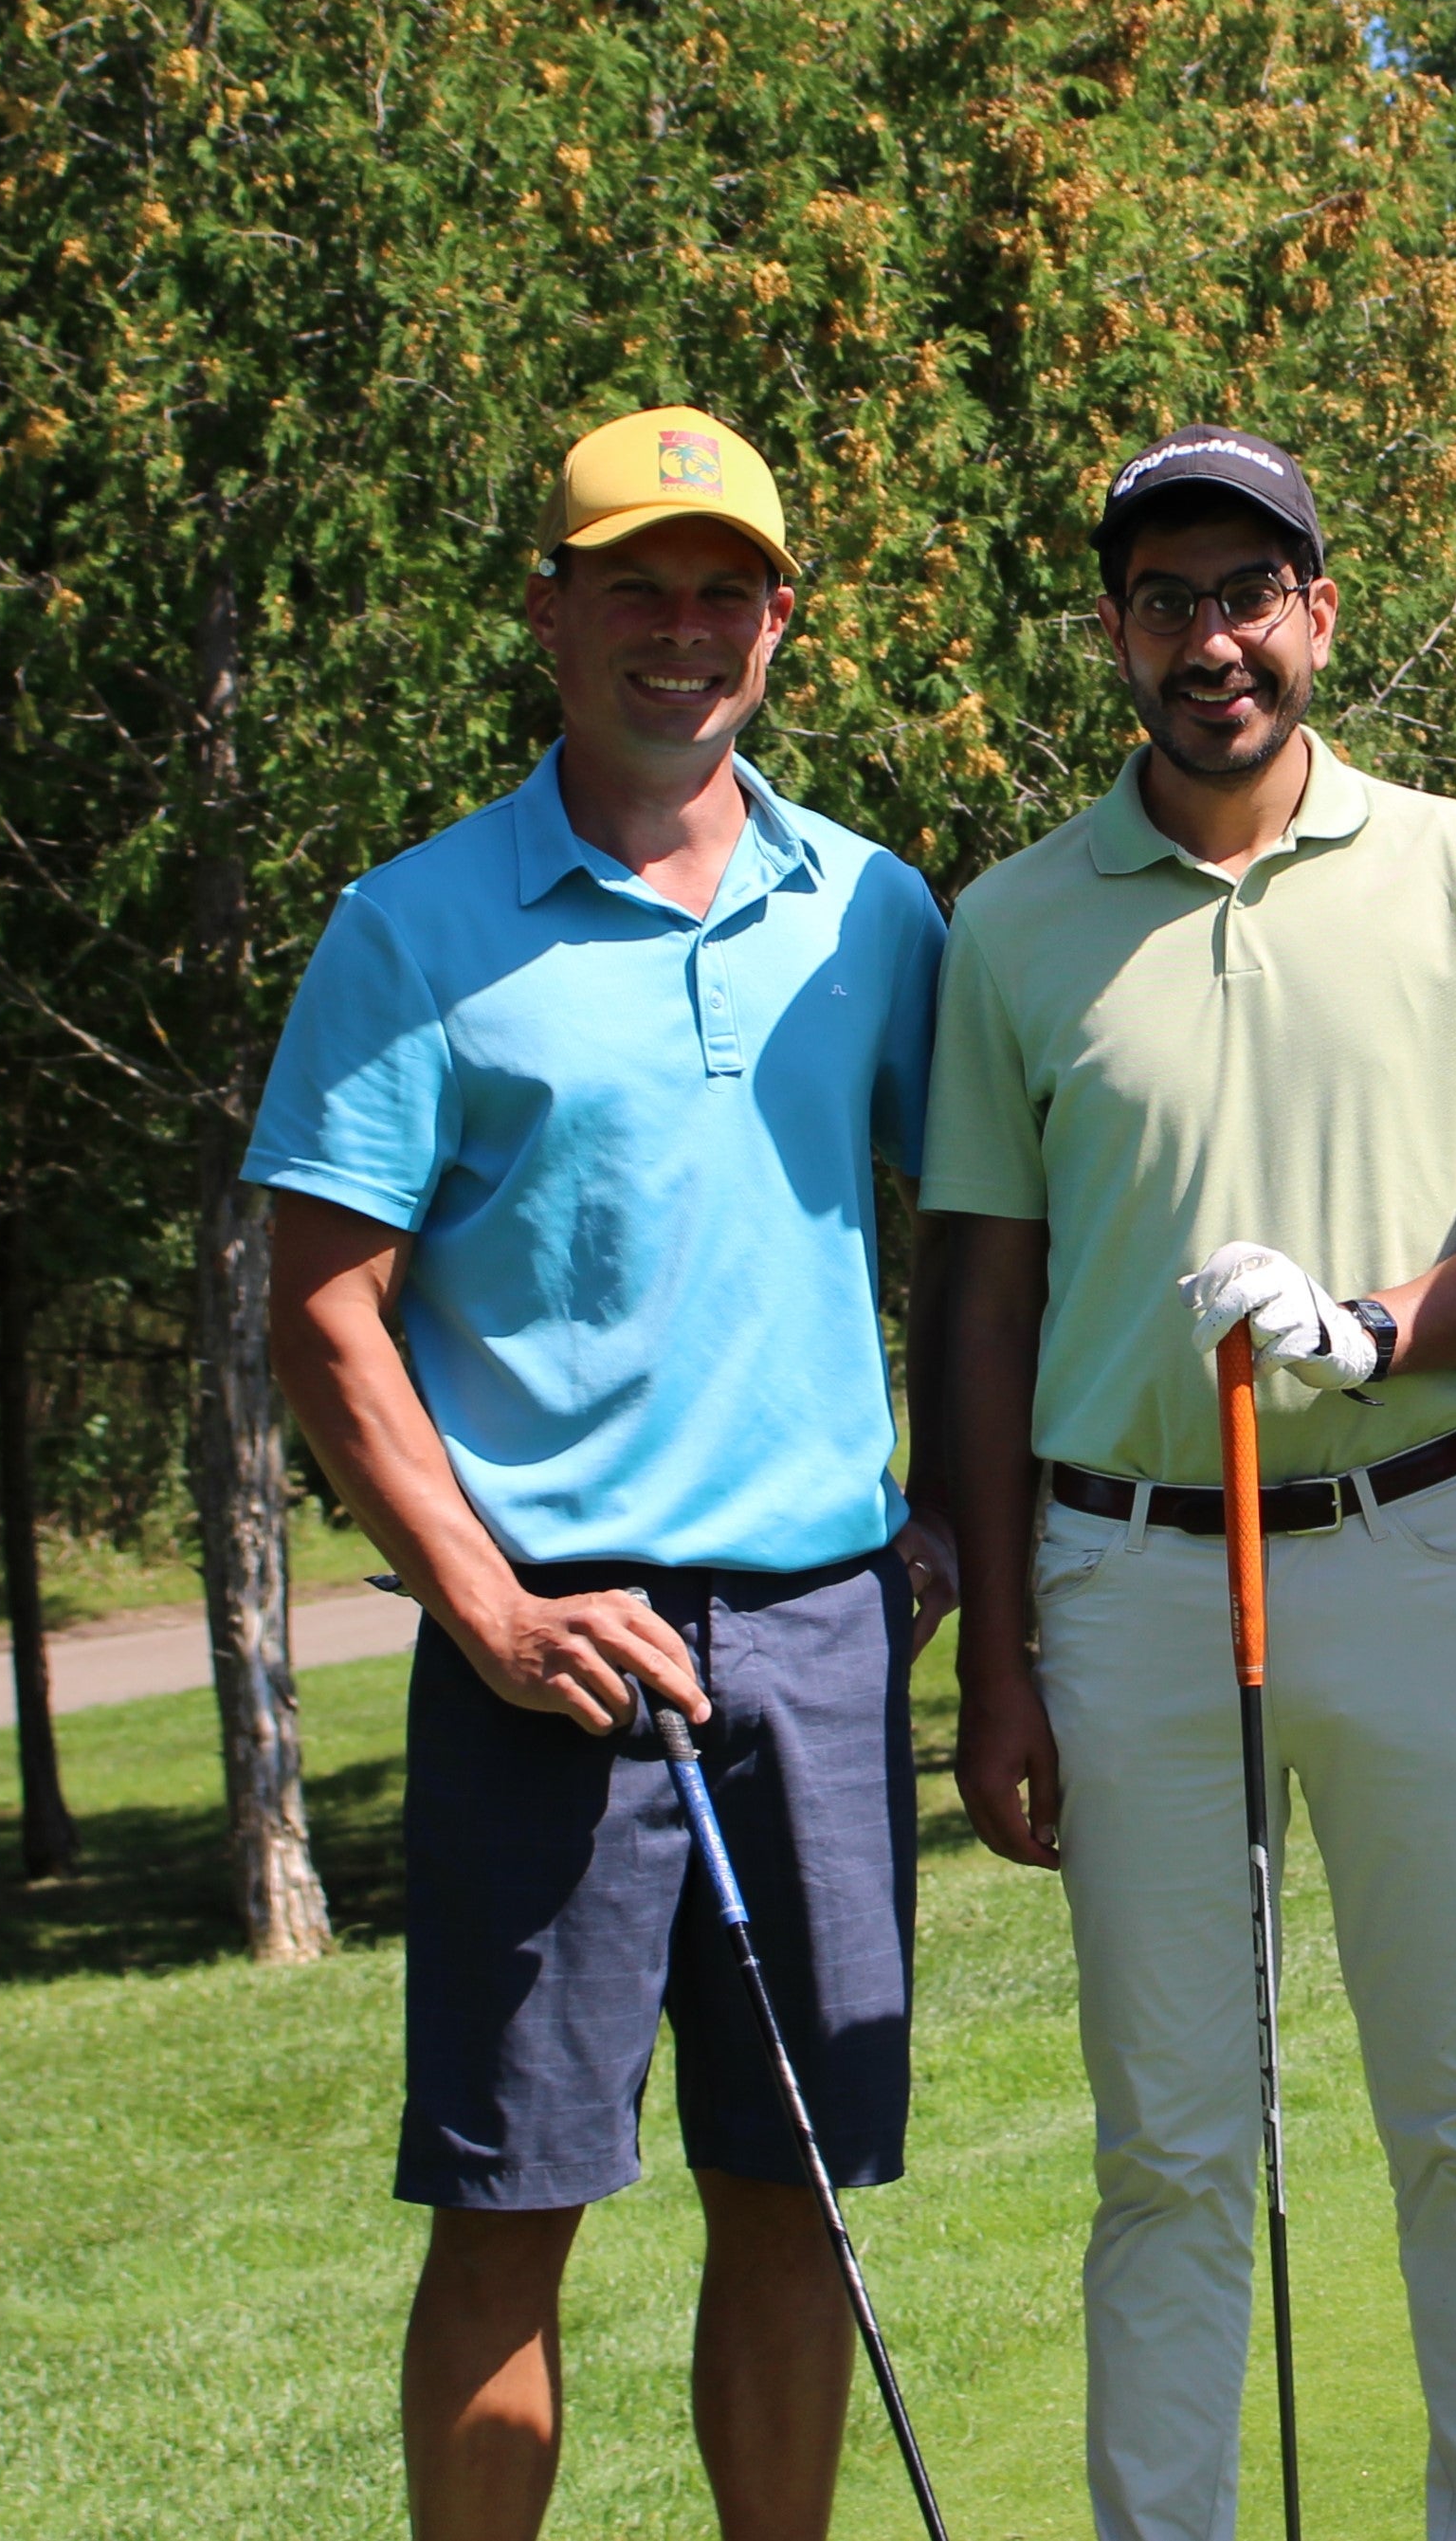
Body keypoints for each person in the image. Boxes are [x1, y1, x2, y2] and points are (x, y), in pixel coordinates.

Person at [248, 407, 956, 2541]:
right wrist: (480, 1600)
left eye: (720, 587)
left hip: (820, 1644)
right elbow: (322, 1306)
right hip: (547, 1656)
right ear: (546, 609)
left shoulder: (875, 911)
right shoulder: (414, 923)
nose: (680, 629)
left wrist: (943, 1534)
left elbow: (987, 1234)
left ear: (779, 618)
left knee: (793, 2197)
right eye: (630, 585)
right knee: (509, 2208)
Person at [922, 424, 1456, 2541]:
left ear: (1316, 612)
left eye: (1247, 592)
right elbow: (973, 1303)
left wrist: (1372, 1323)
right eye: (1163, 599)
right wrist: (996, 1668)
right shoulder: (1013, 922)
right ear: (1116, 634)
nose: (1208, 637)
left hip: (1411, 1538)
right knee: (1171, 2142)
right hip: (1126, 1577)